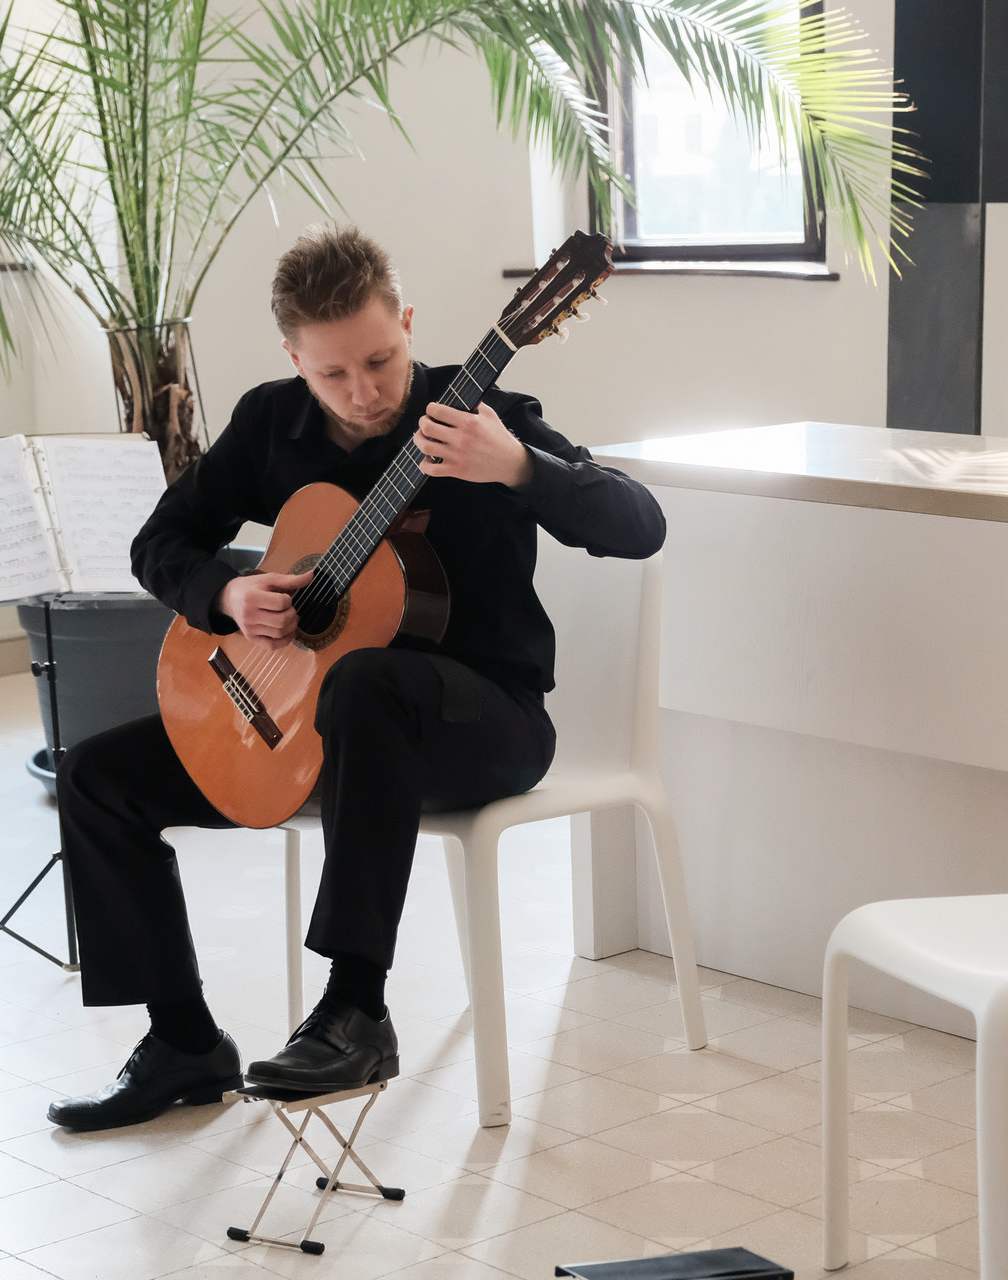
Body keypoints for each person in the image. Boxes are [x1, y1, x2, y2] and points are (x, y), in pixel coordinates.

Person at [45, 226, 664, 1131]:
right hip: (316, 730)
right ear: (294, 358)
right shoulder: (271, 423)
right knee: (97, 777)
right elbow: (160, 543)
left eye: (380, 360)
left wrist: (520, 468)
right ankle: (182, 1041)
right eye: (333, 373)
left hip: (482, 724)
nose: (364, 392)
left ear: (407, 323)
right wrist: (228, 593)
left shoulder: (479, 415)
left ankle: (355, 1011)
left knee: (369, 682)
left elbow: (641, 525)